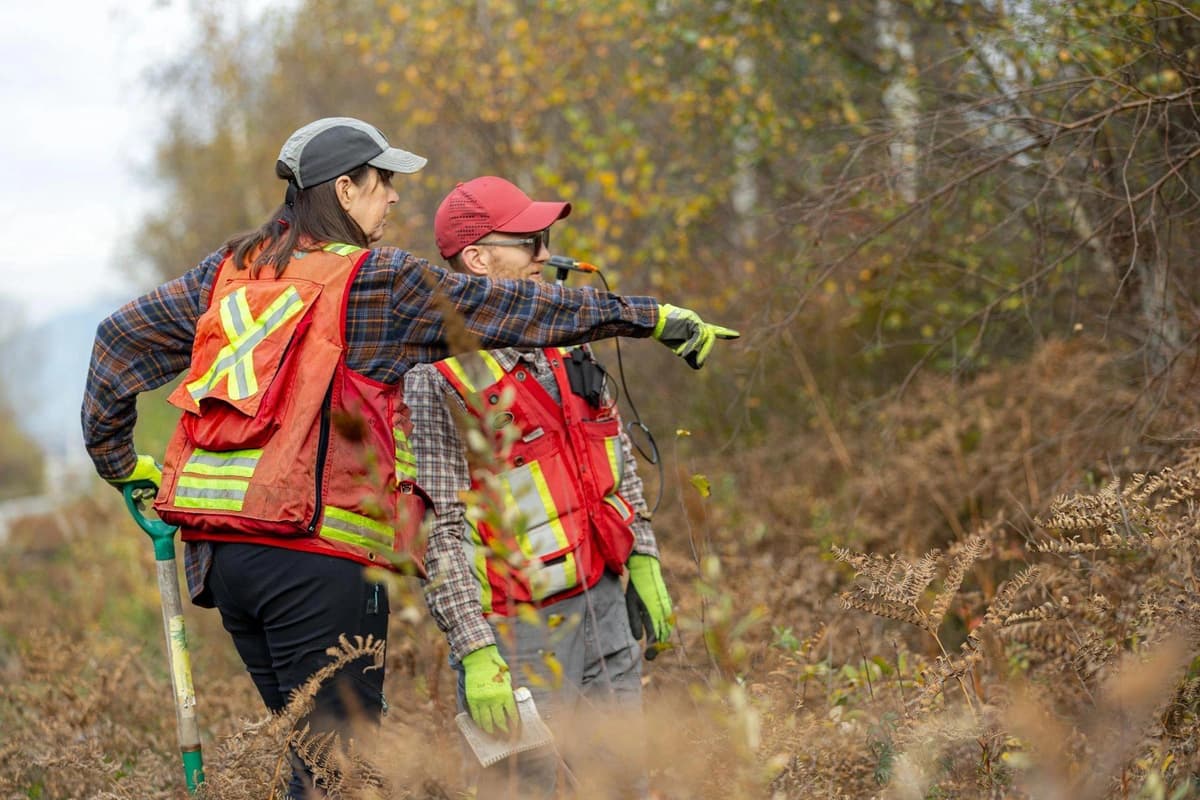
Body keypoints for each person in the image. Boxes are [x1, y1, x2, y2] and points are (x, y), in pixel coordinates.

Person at [80, 118, 737, 799]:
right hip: (317, 558)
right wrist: (648, 316)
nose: (393, 197)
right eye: (383, 181)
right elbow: (511, 310)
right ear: (344, 189)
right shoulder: (373, 280)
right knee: (338, 776)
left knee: (315, 760)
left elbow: (117, 340)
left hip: (223, 561)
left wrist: (120, 463)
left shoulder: (229, 270)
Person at [405, 176, 679, 798]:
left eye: (545, 239)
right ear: (477, 258)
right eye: (529, 242)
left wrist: (643, 555)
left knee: (622, 786)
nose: (545, 255)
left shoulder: (566, 339)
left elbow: (615, 454)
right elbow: (436, 525)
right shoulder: (435, 375)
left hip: (605, 607)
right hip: (514, 636)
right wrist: (475, 650)